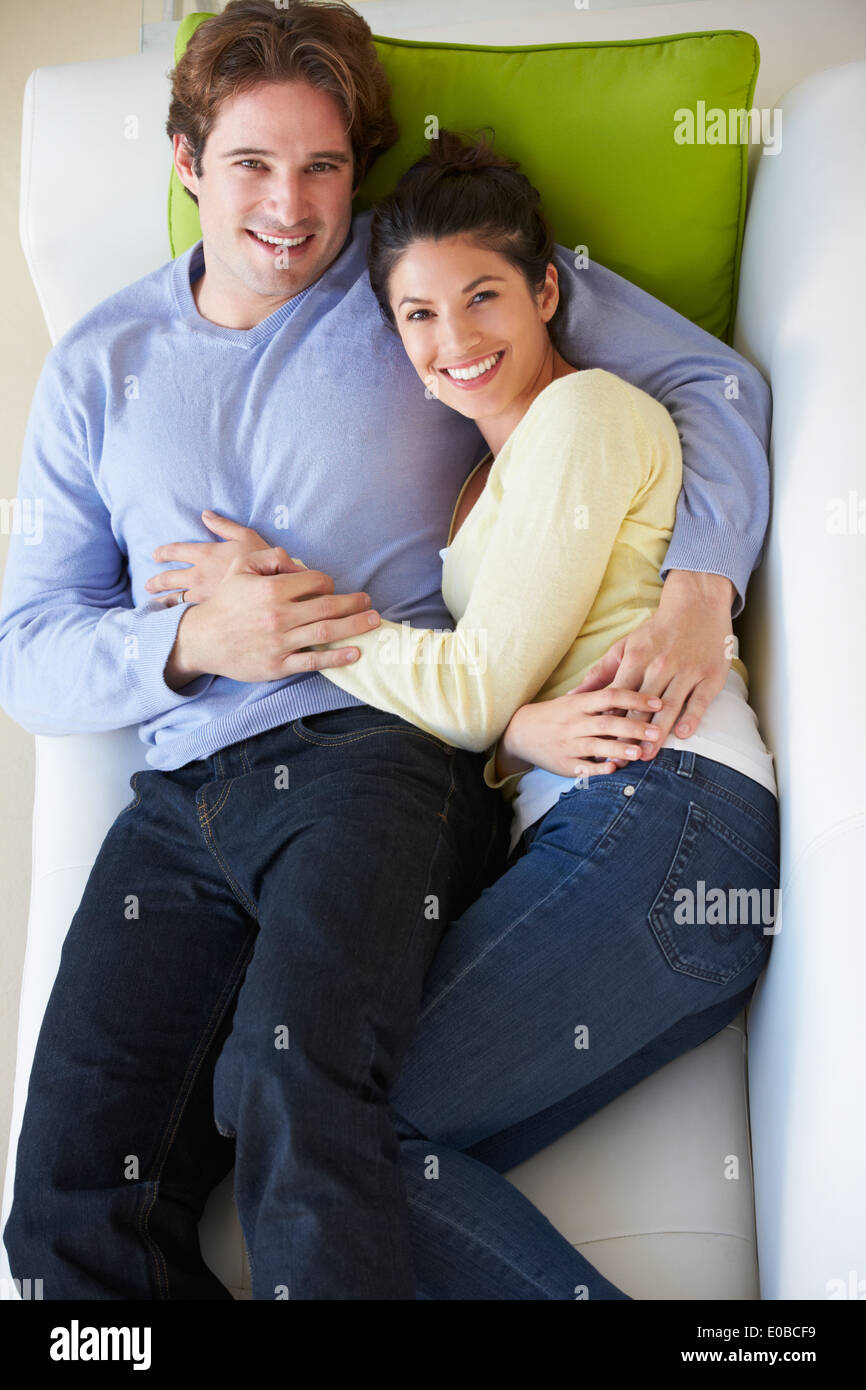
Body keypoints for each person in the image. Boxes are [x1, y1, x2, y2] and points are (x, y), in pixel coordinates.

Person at [0, 1, 772, 1300]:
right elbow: (27, 650)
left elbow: (714, 383)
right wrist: (191, 639)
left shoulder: (426, 281)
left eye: (323, 166)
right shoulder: (97, 365)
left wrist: (703, 580)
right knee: (65, 1221)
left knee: (307, 1103)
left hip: (382, 764)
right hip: (181, 800)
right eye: (249, 164)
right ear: (186, 165)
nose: (289, 206)